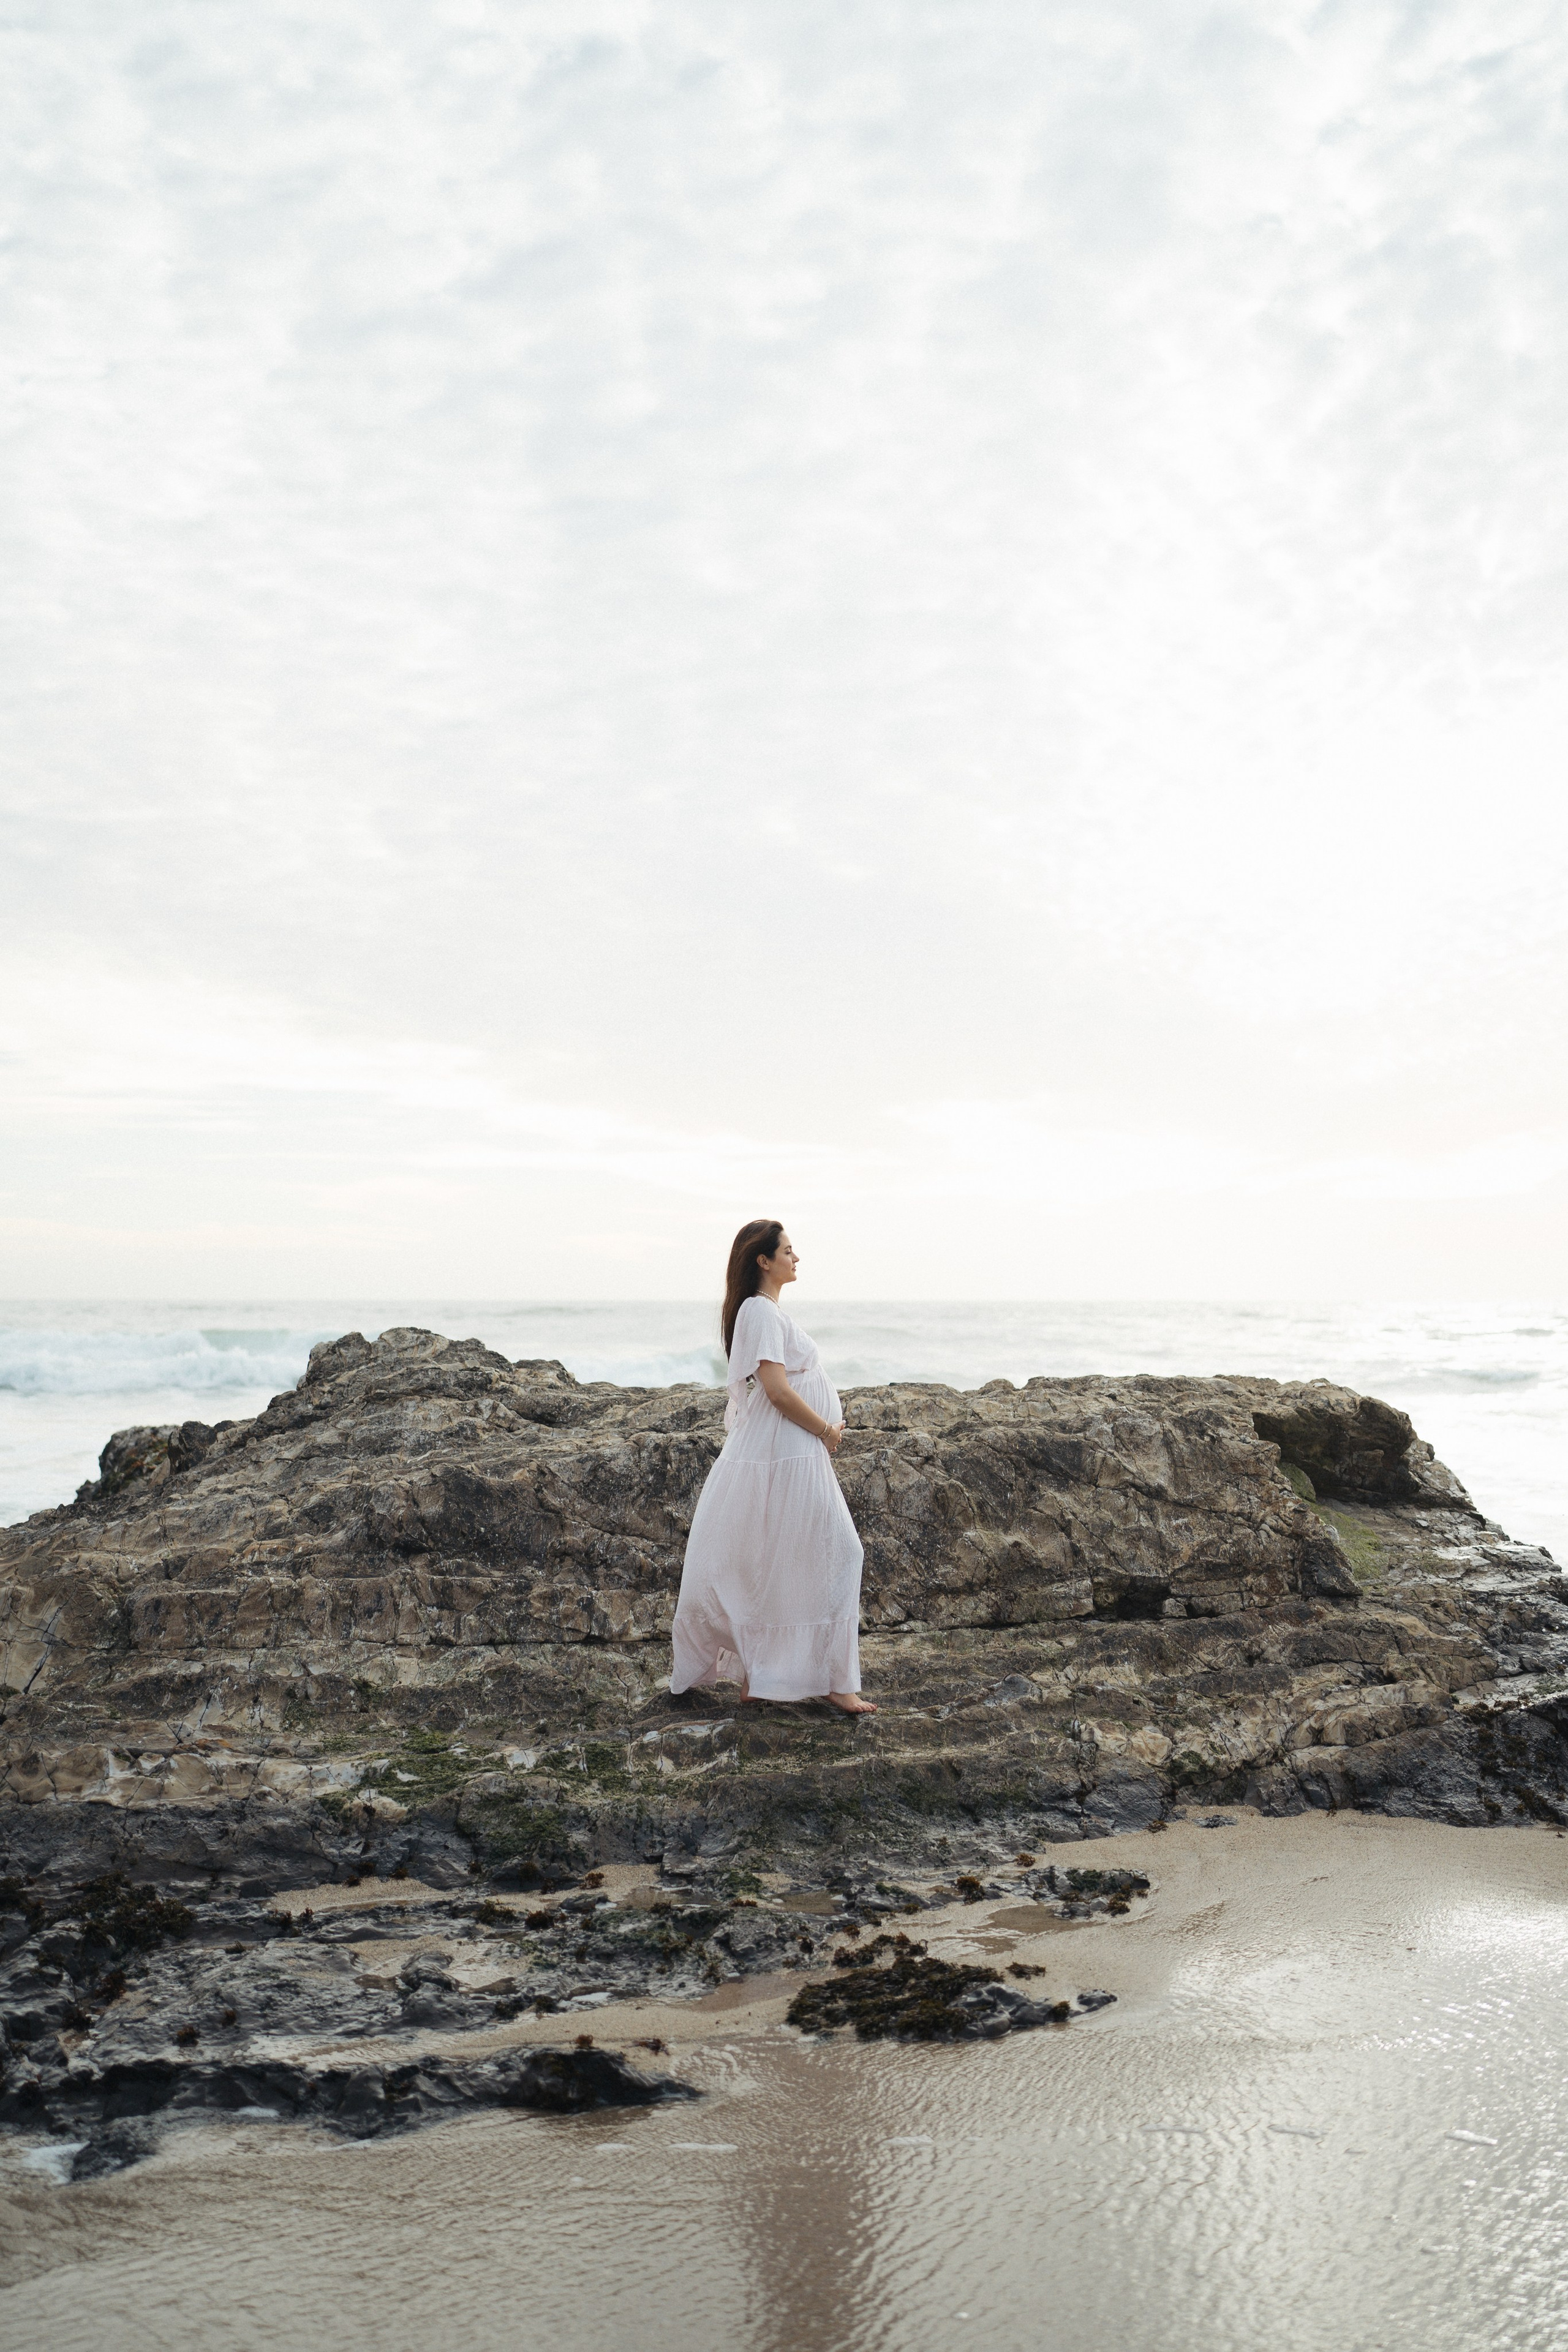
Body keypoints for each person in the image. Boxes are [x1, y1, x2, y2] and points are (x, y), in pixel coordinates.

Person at [669, 1219, 875, 1714]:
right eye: (787, 1250)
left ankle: (765, 1677)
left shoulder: (766, 1311)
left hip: (791, 1450)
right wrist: (826, 1430)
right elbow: (778, 1391)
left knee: (782, 1561)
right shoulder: (759, 1311)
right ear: (764, 1260)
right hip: (787, 1449)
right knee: (840, 1552)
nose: (796, 1257)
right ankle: (834, 1681)